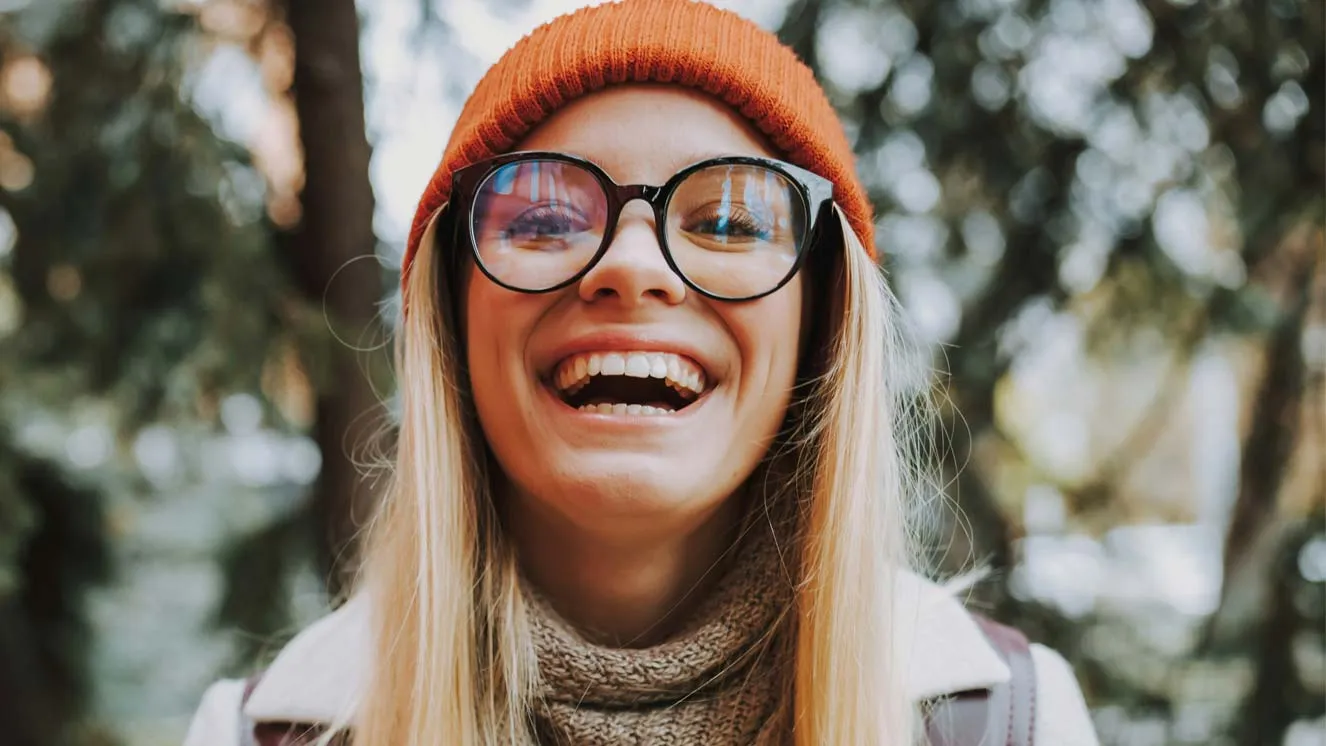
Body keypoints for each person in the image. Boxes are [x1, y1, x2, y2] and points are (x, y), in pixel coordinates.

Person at [185, 1, 1099, 744]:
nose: (632, 265)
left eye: (730, 222)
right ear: (452, 319)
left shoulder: (1011, 721)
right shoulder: (258, 735)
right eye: (542, 219)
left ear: (823, 318)